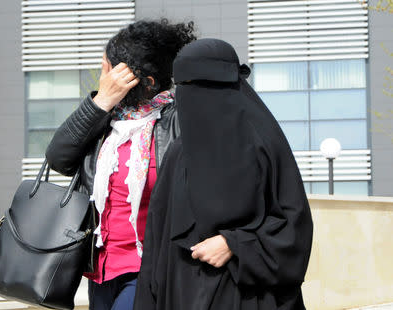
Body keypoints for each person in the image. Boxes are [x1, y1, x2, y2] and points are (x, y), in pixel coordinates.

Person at [133, 38, 314, 310]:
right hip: (181, 294)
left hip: (247, 297)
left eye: (198, 87)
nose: (188, 98)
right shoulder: (179, 154)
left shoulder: (262, 145)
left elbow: (294, 231)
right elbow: (157, 244)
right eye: (183, 87)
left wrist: (235, 244)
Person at [45, 19, 195, 310]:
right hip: (100, 270)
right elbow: (58, 158)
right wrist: (99, 103)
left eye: (111, 71)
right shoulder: (106, 119)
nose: (105, 79)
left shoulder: (180, 120)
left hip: (149, 267)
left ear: (146, 82)